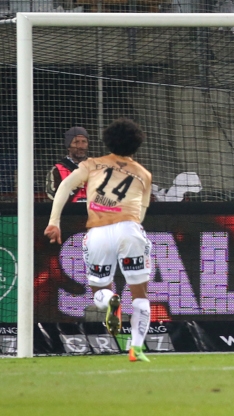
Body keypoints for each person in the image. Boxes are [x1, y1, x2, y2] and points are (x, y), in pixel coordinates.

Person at [44, 118, 154, 363]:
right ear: (137, 144)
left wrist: (54, 221)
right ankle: (136, 349)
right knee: (140, 295)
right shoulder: (144, 174)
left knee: (98, 293)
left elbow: (64, 187)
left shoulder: (92, 164)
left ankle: (110, 301)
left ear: (108, 141)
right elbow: (141, 214)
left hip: (99, 232)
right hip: (129, 229)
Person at [46, 127, 89, 203]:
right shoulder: (57, 170)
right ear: (68, 146)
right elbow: (52, 196)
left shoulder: (96, 168)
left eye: (84, 142)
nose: (81, 146)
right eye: (76, 142)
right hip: (68, 213)